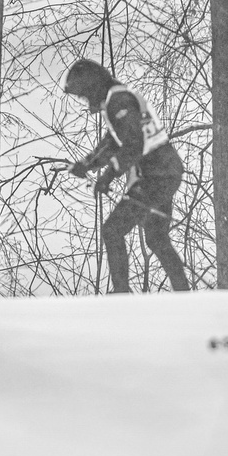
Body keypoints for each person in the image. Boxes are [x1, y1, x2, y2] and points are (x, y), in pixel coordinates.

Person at [64, 58, 192, 293]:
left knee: (112, 231)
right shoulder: (117, 98)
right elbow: (113, 143)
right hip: (165, 172)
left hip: (156, 176)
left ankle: (122, 295)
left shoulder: (119, 101)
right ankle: (183, 293)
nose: (85, 101)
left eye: (83, 95)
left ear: (92, 86)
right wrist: (87, 164)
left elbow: (133, 143)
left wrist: (107, 176)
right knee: (155, 237)